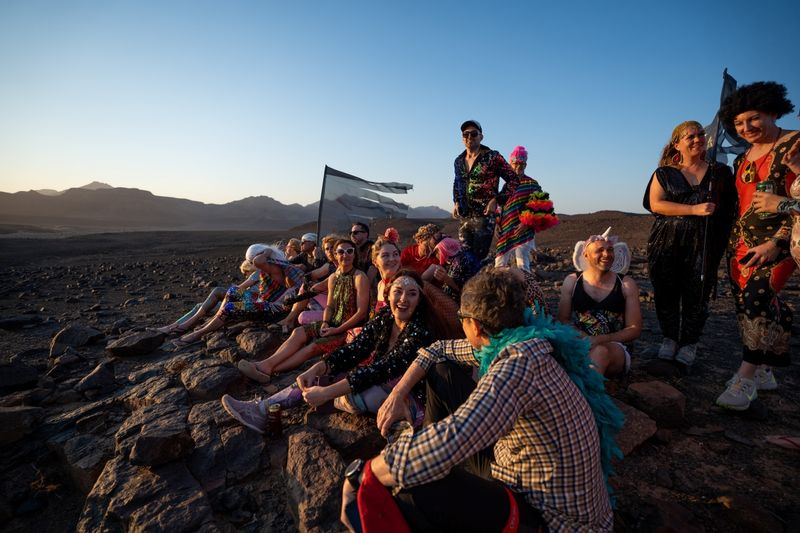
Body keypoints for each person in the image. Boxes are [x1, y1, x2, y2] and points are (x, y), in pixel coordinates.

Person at [341, 268, 622, 532]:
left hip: (549, 517)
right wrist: (398, 393)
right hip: (521, 467)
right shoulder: (525, 342)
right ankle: (429, 460)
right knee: (442, 371)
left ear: (473, 325)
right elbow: (437, 350)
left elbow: (454, 437)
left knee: (411, 486)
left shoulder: (517, 368)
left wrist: (366, 472)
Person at [220, 271, 433, 433]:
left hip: (404, 396)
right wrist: (319, 367)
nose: (403, 299)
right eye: (398, 291)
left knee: (361, 395)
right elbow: (355, 349)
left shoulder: (420, 331)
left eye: (412, 294)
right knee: (317, 377)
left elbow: (382, 370)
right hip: (375, 380)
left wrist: (327, 393)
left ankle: (331, 401)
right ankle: (262, 409)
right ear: (388, 294)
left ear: (419, 300)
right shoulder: (385, 317)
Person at [715, 81, 799, 410]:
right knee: (744, 305)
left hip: (780, 242)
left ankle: (745, 378)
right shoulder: (742, 158)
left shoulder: (794, 144)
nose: (746, 127)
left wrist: (777, 241)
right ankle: (765, 369)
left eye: (753, 118)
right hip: (740, 242)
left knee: (756, 297)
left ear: (773, 112)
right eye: (738, 123)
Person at [643, 121, 736, 371]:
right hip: (666, 240)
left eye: (700, 135)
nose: (697, 139)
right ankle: (670, 338)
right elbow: (656, 204)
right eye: (690, 136)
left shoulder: (720, 173)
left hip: (704, 242)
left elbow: (730, 209)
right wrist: (694, 210)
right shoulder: (664, 173)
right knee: (666, 291)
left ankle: (689, 343)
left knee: (698, 292)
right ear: (677, 144)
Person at [237, 239, 370, 381]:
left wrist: (337, 330)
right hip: (333, 323)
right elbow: (330, 306)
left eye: (350, 251)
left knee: (312, 347)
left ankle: (268, 369)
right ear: (336, 255)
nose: (345, 255)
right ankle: (266, 364)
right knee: (298, 332)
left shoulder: (359, 277)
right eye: (341, 251)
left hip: (348, 329)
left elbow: (361, 313)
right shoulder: (333, 277)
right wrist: (325, 322)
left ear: (354, 254)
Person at [174, 245, 304, 346]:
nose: (252, 263)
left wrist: (267, 251)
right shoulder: (274, 266)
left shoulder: (275, 268)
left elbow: (258, 261)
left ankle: (198, 334)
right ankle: (216, 318)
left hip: (273, 309)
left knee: (231, 307)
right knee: (233, 291)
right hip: (265, 302)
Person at [557, 229, 642, 377]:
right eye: (600, 250)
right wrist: (583, 337)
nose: (606, 254)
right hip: (580, 342)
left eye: (610, 250)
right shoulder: (572, 282)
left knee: (600, 352)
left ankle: (587, 389)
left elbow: (634, 329)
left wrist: (600, 340)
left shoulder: (626, 284)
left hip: (616, 347)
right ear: (586, 255)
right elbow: (563, 319)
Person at [452, 120, 519, 260]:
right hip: (465, 216)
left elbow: (513, 179)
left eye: (473, 134)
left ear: (481, 136)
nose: (469, 137)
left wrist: (497, 200)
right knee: (464, 256)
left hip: (484, 216)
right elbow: (457, 182)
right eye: (465, 134)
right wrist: (456, 201)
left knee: (478, 256)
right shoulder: (458, 160)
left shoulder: (492, 157)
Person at [153, 258, 259, 335]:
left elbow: (239, 291)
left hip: (247, 305)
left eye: (246, 272)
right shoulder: (260, 278)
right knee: (201, 305)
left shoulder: (257, 275)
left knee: (211, 298)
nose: (245, 276)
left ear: (251, 269)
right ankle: (174, 326)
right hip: (247, 303)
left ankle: (176, 326)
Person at [495, 145, 543, 272]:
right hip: (505, 230)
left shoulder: (532, 184)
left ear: (525, 165)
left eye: (521, 164)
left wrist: (526, 223)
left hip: (523, 231)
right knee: (499, 264)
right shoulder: (507, 186)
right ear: (510, 164)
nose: (518, 167)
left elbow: (540, 206)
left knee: (523, 264)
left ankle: (526, 284)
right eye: (515, 163)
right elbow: (500, 207)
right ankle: (500, 285)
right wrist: (497, 224)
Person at [422, 237, 480, 303]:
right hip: (461, 298)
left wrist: (446, 279)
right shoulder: (461, 255)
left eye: (435, 253)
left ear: (441, 250)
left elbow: (466, 291)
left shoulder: (460, 263)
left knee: (425, 286)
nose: (436, 256)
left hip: (465, 301)